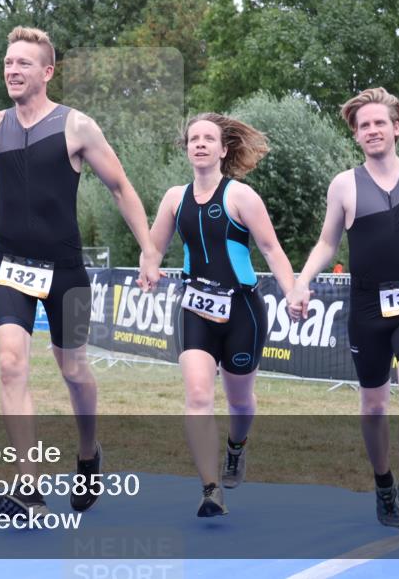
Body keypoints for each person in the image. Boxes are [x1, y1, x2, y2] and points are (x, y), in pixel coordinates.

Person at [0, 25, 161, 519]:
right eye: (7, 62)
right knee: (11, 362)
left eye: (22, 63)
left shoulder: (77, 126)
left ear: (47, 71)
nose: (12, 70)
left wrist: (148, 249)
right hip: (10, 266)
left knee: (75, 369)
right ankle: (28, 484)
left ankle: (88, 455)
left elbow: (121, 187)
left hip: (66, 272)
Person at [285, 87, 399, 530]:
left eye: (379, 123)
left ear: (396, 128)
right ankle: (383, 483)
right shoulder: (344, 184)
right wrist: (300, 283)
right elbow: (328, 241)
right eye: (363, 125)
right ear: (356, 135)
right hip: (367, 306)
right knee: (372, 406)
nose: (372, 130)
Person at [146, 113, 294, 517]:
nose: (199, 144)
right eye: (193, 138)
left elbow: (272, 249)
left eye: (208, 139)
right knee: (197, 395)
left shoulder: (241, 197)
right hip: (194, 306)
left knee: (241, 402)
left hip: (242, 309)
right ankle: (211, 489)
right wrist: (149, 266)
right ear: (187, 148)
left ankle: (236, 447)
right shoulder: (174, 198)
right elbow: (154, 246)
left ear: (223, 149)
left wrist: (293, 289)